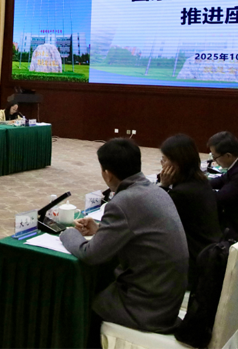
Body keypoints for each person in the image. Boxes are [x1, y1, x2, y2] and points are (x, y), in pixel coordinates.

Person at [61, 138, 188, 334]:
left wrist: (68, 234)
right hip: (166, 296)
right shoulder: (155, 190)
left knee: (79, 301)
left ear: (107, 174)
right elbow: (138, 231)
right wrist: (100, 230)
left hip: (147, 307)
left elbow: (91, 254)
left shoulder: (123, 201)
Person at [157, 134, 222, 290]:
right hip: (208, 256)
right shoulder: (201, 182)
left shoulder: (181, 194)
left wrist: (163, 185)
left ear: (177, 163)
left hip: (193, 267)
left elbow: (153, 216)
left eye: (164, 160)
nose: (162, 164)